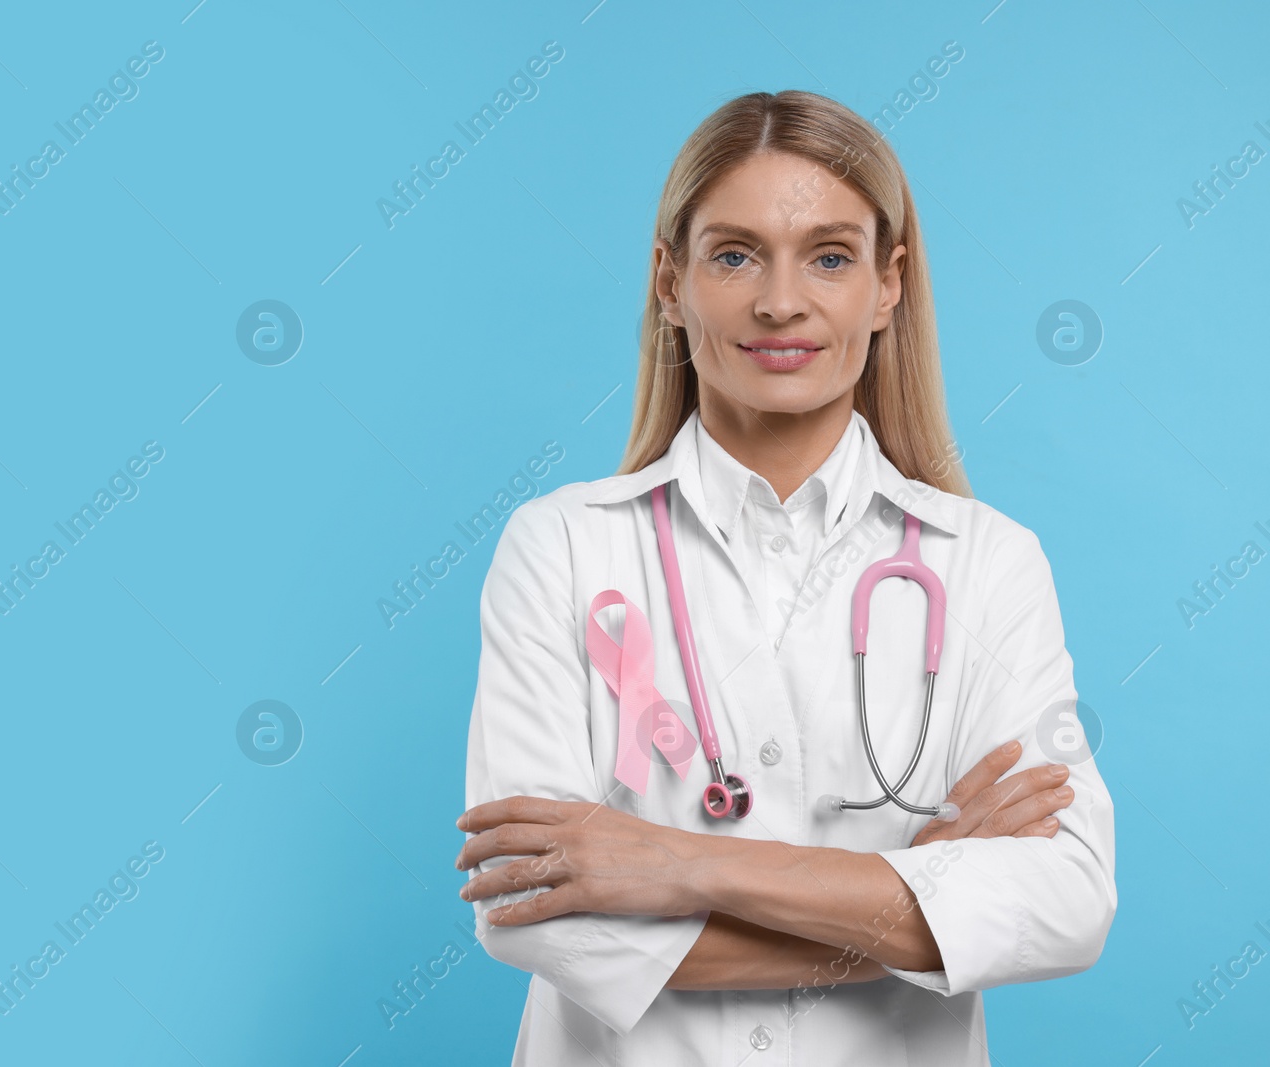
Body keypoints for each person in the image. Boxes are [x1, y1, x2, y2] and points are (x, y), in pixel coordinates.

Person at [456, 89, 1116, 1065]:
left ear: (887, 284)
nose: (779, 300)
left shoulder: (985, 561)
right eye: (733, 253)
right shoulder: (559, 546)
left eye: (829, 255)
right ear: (668, 282)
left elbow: (1064, 901)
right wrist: (914, 894)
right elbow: (527, 904)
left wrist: (676, 860)